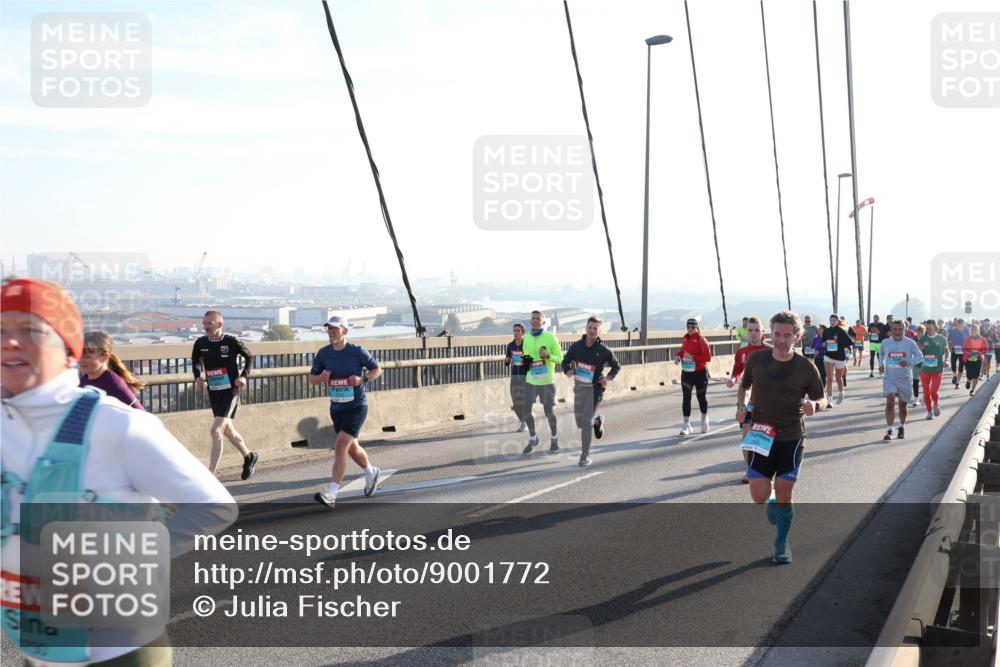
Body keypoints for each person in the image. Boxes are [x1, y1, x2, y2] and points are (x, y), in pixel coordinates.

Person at [1, 278, 236, 665]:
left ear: (67, 350)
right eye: (0, 330)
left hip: (121, 652)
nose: (10, 342)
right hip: (41, 652)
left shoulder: (116, 425)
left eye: (30, 331)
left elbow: (213, 506)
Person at [737, 310, 826, 564]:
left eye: (787, 335)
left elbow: (822, 397)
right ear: (770, 334)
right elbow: (744, 387)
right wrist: (741, 407)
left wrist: (815, 406)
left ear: (797, 337)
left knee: (785, 492)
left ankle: (781, 543)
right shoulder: (757, 361)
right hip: (761, 434)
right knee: (759, 497)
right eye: (777, 334)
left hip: (791, 435)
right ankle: (772, 500)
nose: (781, 340)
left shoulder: (806, 367)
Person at [310, 315, 383, 508]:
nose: (331, 331)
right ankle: (371, 472)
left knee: (341, 445)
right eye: (329, 328)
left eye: (335, 328)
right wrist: (322, 377)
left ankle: (332, 493)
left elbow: (377, 370)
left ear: (345, 331)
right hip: (337, 407)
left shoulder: (357, 351)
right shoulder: (324, 354)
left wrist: (362, 380)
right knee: (352, 447)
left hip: (357, 406)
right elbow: (312, 378)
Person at [192, 310, 259, 479]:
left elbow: (250, 357)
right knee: (228, 431)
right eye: (204, 324)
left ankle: (210, 475)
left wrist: (243, 377)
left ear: (220, 324)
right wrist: (197, 377)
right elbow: (196, 362)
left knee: (216, 430)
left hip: (230, 391)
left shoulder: (231, 341)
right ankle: (249, 456)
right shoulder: (200, 343)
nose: (206, 327)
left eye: (210, 324)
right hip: (214, 391)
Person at [562, 317, 621, 466]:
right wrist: (567, 370)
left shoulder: (603, 350)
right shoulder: (576, 347)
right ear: (586, 328)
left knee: (586, 421)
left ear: (600, 331)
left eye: (595, 328)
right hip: (580, 388)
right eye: (590, 327)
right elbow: (565, 361)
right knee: (581, 423)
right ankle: (597, 421)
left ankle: (585, 455)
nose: (592, 330)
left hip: (596, 389)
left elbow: (616, 366)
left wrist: (608, 378)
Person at [728, 316, 770, 483]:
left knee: (765, 437)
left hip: (768, 400)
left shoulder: (770, 351)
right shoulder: (741, 353)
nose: (753, 334)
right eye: (750, 330)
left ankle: (767, 467)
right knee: (746, 435)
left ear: (763, 332)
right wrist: (733, 378)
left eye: (757, 330)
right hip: (747, 398)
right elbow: (737, 370)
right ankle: (751, 470)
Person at [521, 310, 563, 453]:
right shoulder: (526, 338)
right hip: (531, 380)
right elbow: (526, 356)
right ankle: (533, 438)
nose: (535, 320)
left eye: (538, 318)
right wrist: (524, 363)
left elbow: (560, 358)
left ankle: (554, 438)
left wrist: (548, 356)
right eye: (533, 318)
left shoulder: (551, 338)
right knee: (526, 410)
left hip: (546, 381)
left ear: (543, 321)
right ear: (530, 320)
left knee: (549, 411)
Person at [878, 319, 924, 441]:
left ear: (905, 330)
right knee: (890, 401)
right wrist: (881, 364)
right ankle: (890, 429)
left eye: (900, 329)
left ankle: (902, 426)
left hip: (905, 378)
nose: (897, 332)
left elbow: (920, 357)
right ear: (891, 330)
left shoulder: (910, 343)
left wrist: (908, 362)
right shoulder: (885, 342)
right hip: (890, 378)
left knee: (903, 405)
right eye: (895, 329)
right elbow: (881, 353)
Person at [78, 330, 145, 410]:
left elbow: (141, 414)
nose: (81, 360)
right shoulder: (81, 380)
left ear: (104, 357)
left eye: (87, 357)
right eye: (79, 355)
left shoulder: (114, 384)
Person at [676, 318, 712, 435]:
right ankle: (686, 425)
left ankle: (704, 418)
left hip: (700, 372)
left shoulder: (701, 340)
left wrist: (693, 357)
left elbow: (708, 357)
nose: (690, 329)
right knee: (686, 396)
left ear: (696, 327)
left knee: (701, 397)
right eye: (688, 327)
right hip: (687, 372)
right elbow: (683, 351)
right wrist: (678, 356)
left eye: (692, 327)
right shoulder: (685, 338)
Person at [821, 314, 854, 407]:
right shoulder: (826, 331)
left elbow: (850, 342)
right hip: (828, 356)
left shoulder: (841, 331)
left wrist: (839, 343)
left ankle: (841, 392)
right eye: (831, 320)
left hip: (839, 356)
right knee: (829, 379)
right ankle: (829, 400)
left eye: (834, 320)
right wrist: (825, 343)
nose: (832, 322)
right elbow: (823, 342)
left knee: (838, 378)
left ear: (838, 321)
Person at [918, 320, 948, 419]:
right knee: (926, 392)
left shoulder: (942, 338)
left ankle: (936, 403)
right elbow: (918, 354)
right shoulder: (922, 339)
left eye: (930, 327)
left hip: (938, 369)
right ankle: (929, 412)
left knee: (934, 391)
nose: (928, 329)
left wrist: (946, 361)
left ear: (935, 327)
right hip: (925, 369)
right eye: (927, 328)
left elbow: (947, 351)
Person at [504, 323, 530, 433]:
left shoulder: (527, 345)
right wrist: (506, 361)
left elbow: (531, 361)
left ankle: (525, 422)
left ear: (523, 332)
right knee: (515, 402)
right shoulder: (510, 345)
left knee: (524, 401)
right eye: (514, 330)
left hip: (525, 376)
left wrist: (524, 360)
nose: (515, 333)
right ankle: (524, 420)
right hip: (514, 376)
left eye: (518, 331)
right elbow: (507, 361)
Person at [963, 324, 990, 396]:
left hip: (978, 358)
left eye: (975, 329)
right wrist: (969, 353)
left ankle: (973, 390)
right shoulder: (967, 339)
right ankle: (968, 380)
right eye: (972, 330)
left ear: (978, 330)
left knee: (976, 374)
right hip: (968, 358)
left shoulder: (983, 339)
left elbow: (986, 348)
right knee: (969, 374)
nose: (973, 331)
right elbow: (964, 348)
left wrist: (980, 352)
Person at [909, 324, 926, 406]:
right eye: (918, 332)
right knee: (915, 381)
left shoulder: (927, 340)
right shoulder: (913, 341)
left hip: (926, 363)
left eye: (921, 332)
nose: (920, 334)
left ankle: (925, 396)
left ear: (924, 332)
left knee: (925, 381)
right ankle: (916, 399)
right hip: (916, 363)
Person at [949, 319, 968, 388]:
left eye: (962, 324)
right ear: (957, 324)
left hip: (963, 351)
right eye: (959, 324)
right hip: (954, 350)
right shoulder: (952, 331)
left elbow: (969, 340)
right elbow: (948, 339)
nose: (960, 325)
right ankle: (955, 375)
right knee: (953, 365)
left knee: (961, 366)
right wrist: (949, 346)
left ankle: (958, 382)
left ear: (964, 324)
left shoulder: (966, 331)